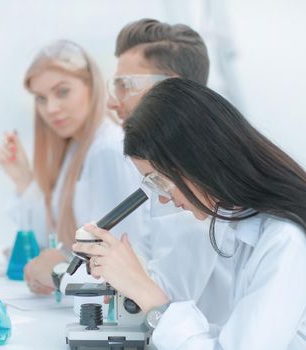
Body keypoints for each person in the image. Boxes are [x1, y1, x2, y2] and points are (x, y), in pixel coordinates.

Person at [73, 78, 306, 349]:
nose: (164, 197)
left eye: (159, 180)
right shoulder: (243, 225)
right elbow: (230, 336)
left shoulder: (288, 240)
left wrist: (146, 292)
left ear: (197, 161)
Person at [104, 18, 234, 324]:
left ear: (171, 87)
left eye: (125, 85)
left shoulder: (193, 177)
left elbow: (167, 300)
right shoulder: (159, 163)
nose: (112, 102)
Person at [0, 40, 147, 294]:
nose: (50, 109)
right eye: (41, 99)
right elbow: (52, 238)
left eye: (62, 92)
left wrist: (59, 273)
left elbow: (122, 265)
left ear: (91, 86)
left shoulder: (107, 151)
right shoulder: (76, 148)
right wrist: (24, 179)